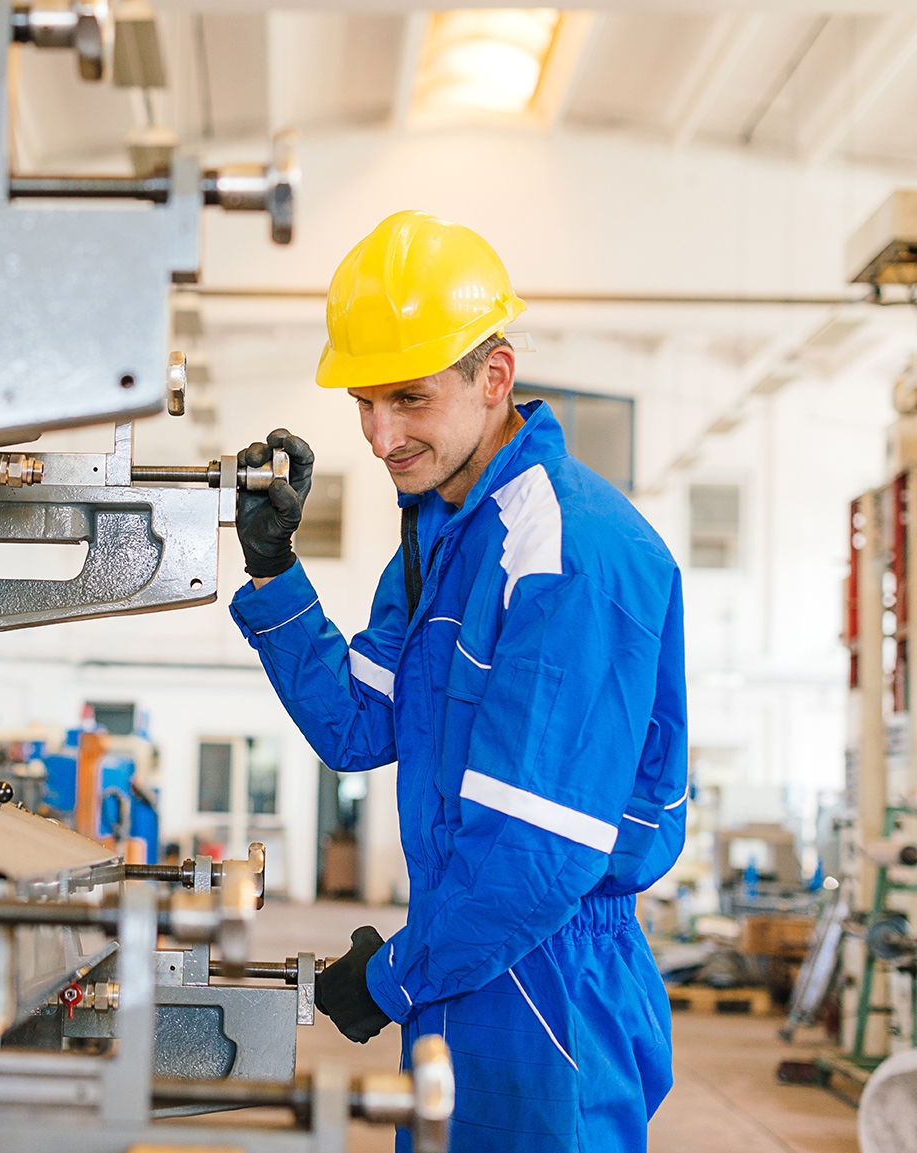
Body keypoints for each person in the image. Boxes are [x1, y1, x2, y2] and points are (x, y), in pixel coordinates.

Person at [230, 210, 686, 1152]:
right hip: (469, 950)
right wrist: (275, 571)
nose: (380, 435)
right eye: (364, 402)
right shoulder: (440, 531)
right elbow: (360, 726)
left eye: (408, 398)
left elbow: (539, 854)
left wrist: (393, 976)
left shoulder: (563, 550)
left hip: (547, 982)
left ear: (495, 377)